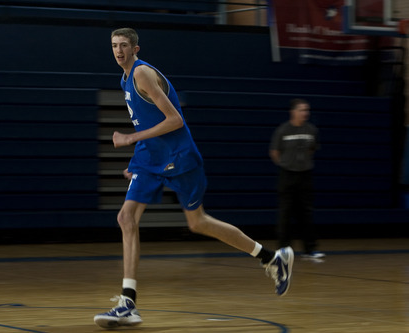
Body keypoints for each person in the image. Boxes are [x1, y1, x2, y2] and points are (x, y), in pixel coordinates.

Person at [93, 28, 294, 329]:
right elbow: (152, 122)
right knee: (126, 218)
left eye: (123, 45)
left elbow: (174, 120)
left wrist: (131, 138)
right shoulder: (124, 78)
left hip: (180, 158)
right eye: (113, 46)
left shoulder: (142, 74)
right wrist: (140, 162)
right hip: (152, 158)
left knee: (197, 222)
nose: (118, 50)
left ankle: (270, 257)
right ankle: (128, 303)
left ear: (136, 49)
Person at [269, 98, 325, 261]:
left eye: (306, 110)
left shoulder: (312, 130)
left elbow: (311, 150)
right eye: (301, 110)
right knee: (285, 213)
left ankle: (310, 249)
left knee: (306, 213)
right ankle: (283, 251)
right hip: (287, 175)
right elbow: (274, 152)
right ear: (293, 112)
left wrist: (301, 164)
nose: (305, 113)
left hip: (305, 175)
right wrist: (286, 164)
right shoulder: (283, 130)